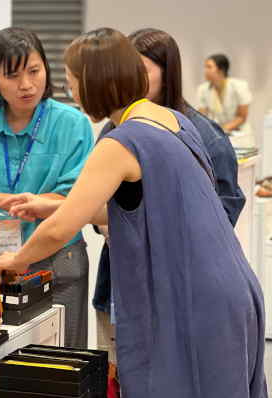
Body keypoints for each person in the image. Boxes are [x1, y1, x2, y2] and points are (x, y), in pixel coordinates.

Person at [0, 28, 268, 398]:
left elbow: (61, 229)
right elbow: (136, 206)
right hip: (232, 289)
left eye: (73, 82)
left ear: (94, 82)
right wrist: (50, 204)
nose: (72, 93)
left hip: (195, 297)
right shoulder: (172, 120)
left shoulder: (122, 141)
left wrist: (18, 259)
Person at [92, 29, 247, 378]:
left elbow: (222, 215)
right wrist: (106, 224)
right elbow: (95, 202)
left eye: (141, 70)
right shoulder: (114, 129)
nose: (131, 80)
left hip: (182, 294)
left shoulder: (203, 134)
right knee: (119, 379)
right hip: (119, 285)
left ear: (168, 71)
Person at [0, 27, 93, 348]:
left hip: (57, 262)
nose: (27, 85)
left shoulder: (72, 124)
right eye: (12, 75)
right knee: (2, 364)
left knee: (61, 364)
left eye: (34, 71)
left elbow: (69, 200)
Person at [198, 53, 253, 135]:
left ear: (221, 70)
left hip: (240, 134)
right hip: (220, 133)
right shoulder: (203, 89)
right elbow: (202, 117)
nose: (205, 71)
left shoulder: (239, 86)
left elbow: (241, 117)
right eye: (205, 67)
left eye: (209, 67)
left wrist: (221, 130)